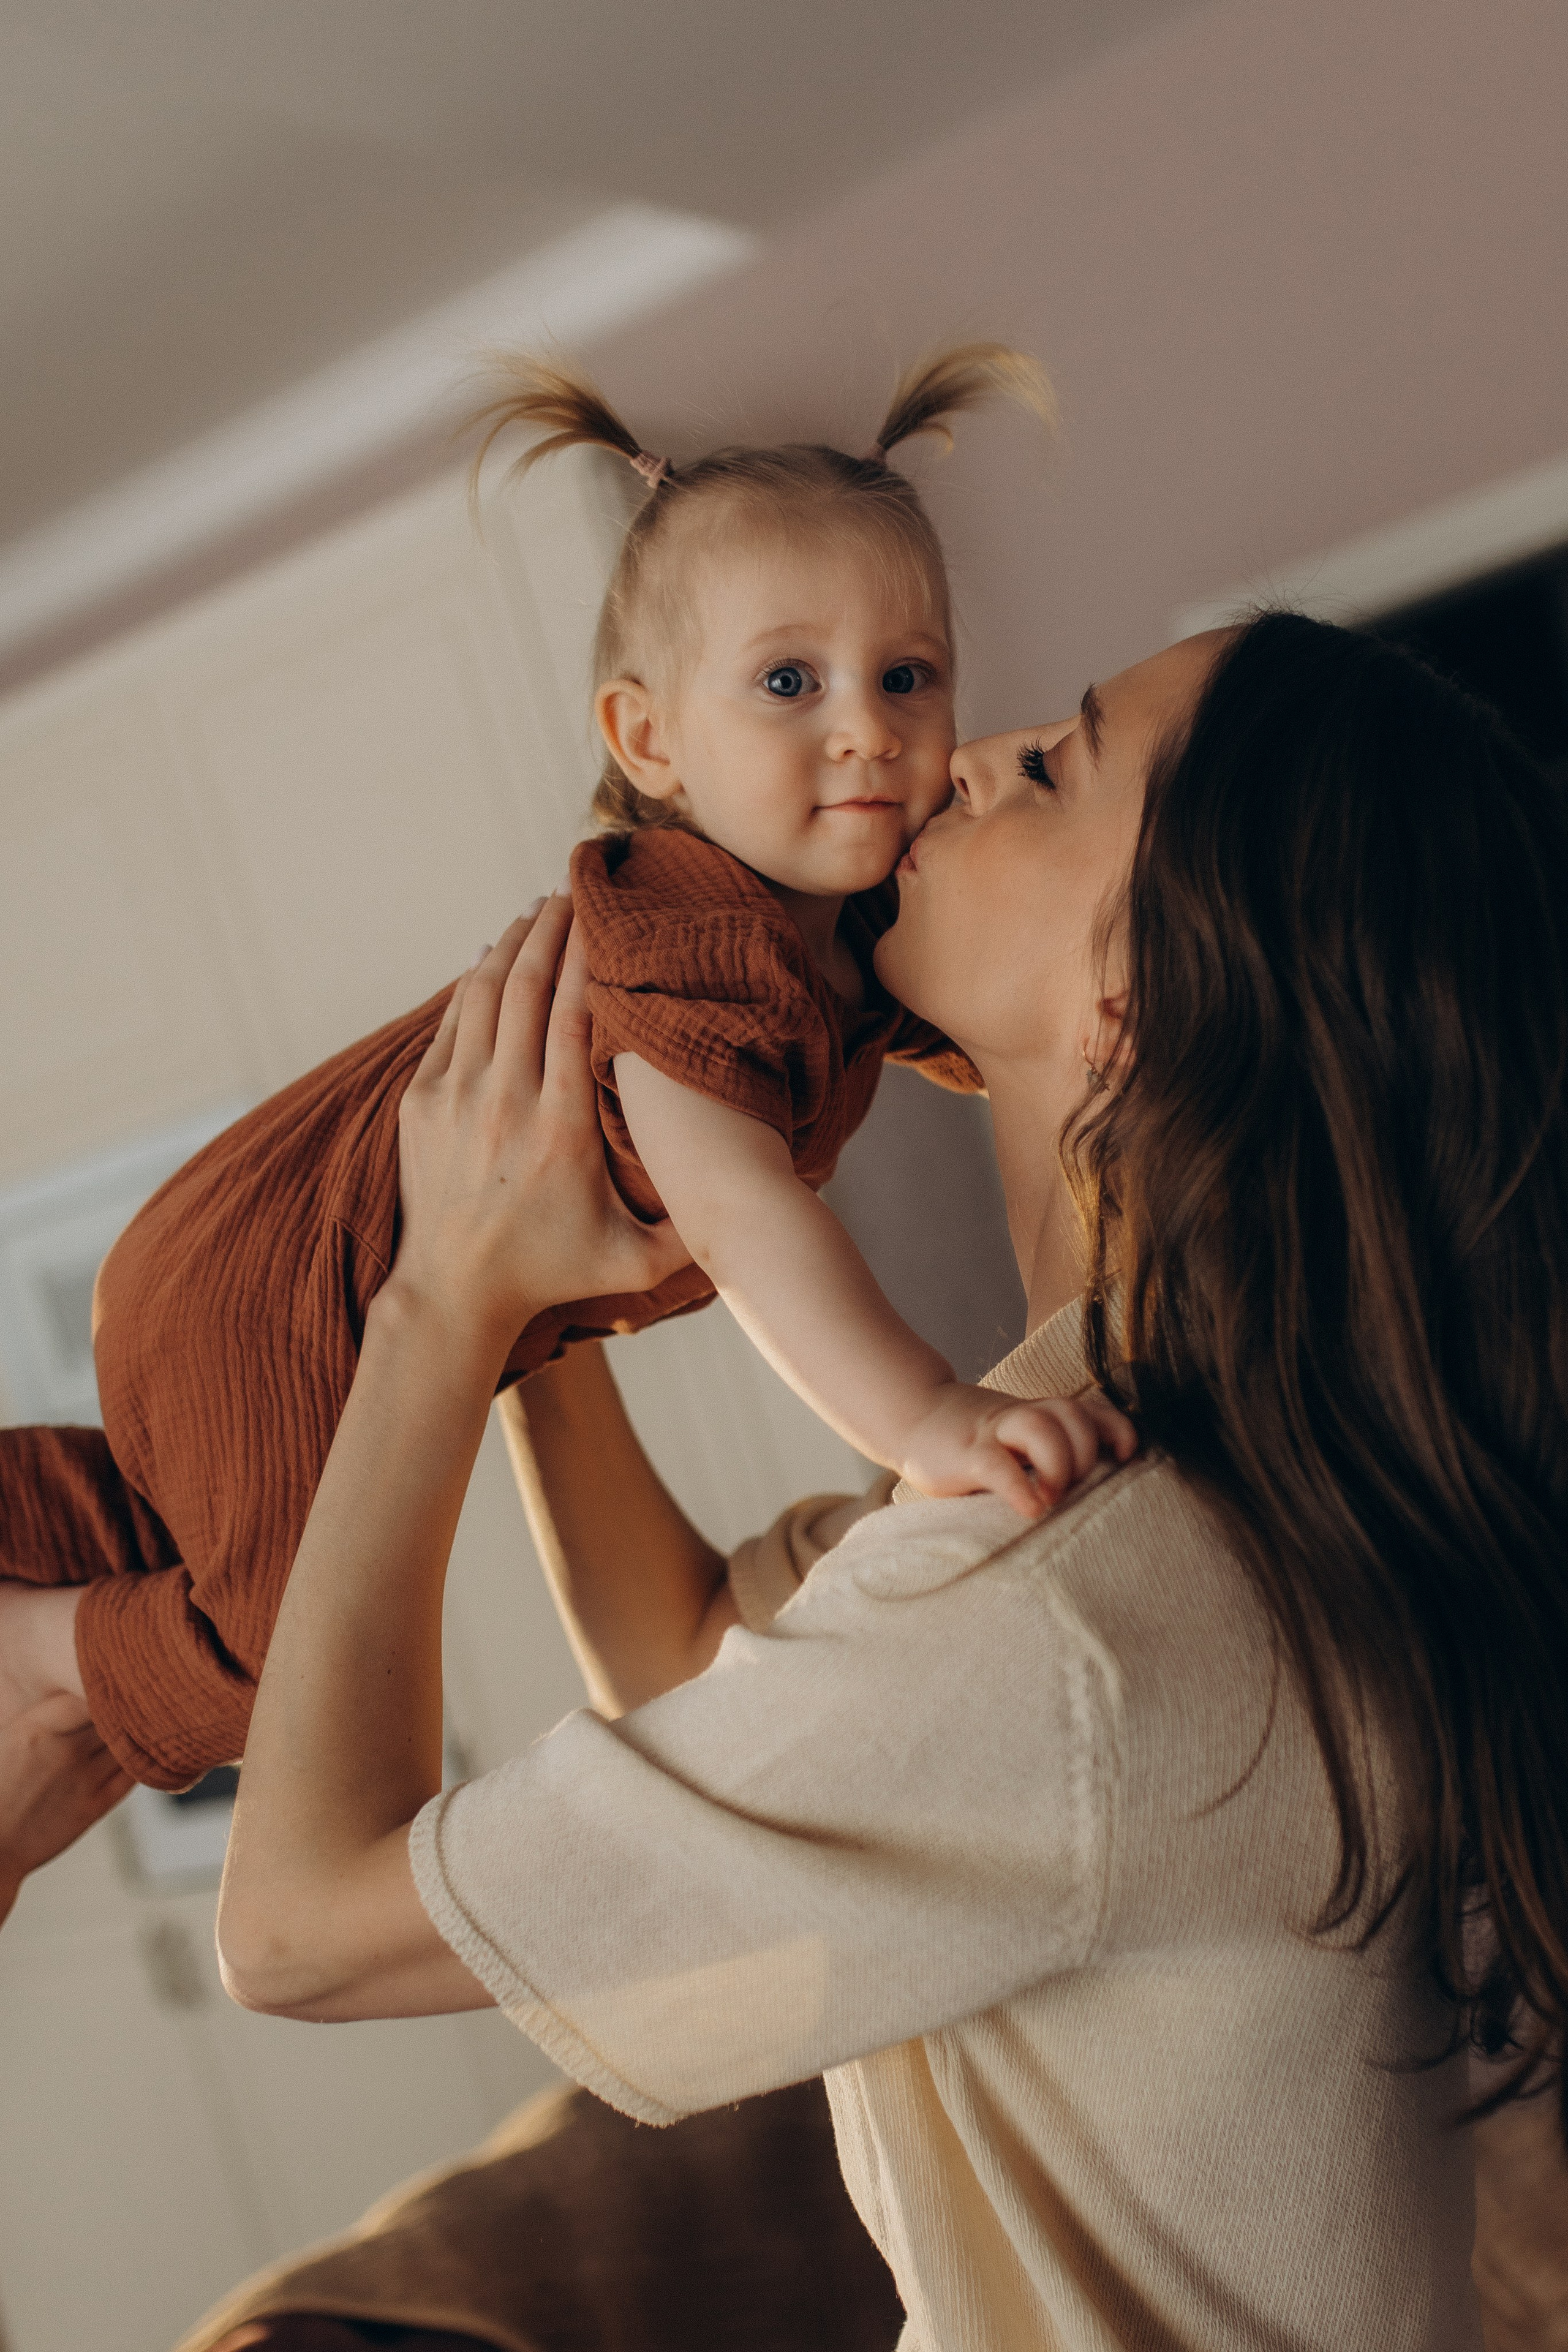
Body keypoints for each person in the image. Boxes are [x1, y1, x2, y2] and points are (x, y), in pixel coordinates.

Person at [219, 611, 1568, 2350]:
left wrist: (431, 1302)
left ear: (1144, 996)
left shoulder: (1069, 1611)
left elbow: (296, 1930)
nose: (965, 759)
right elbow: (702, 1656)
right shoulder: (1176, 1487)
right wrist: (534, 1320)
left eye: (1059, 764)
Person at [0, 342, 1084, 1806]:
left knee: (154, 1525)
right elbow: (738, 1210)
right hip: (276, 1284)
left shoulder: (846, 932)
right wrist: (920, 1417)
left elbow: (994, 1026)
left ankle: (51, 1594)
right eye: (786, 679)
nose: (867, 728)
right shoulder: (699, 937)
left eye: (908, 675)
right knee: (281, 1668)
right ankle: (44, 1650)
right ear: (650, 743)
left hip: (259, 1277)